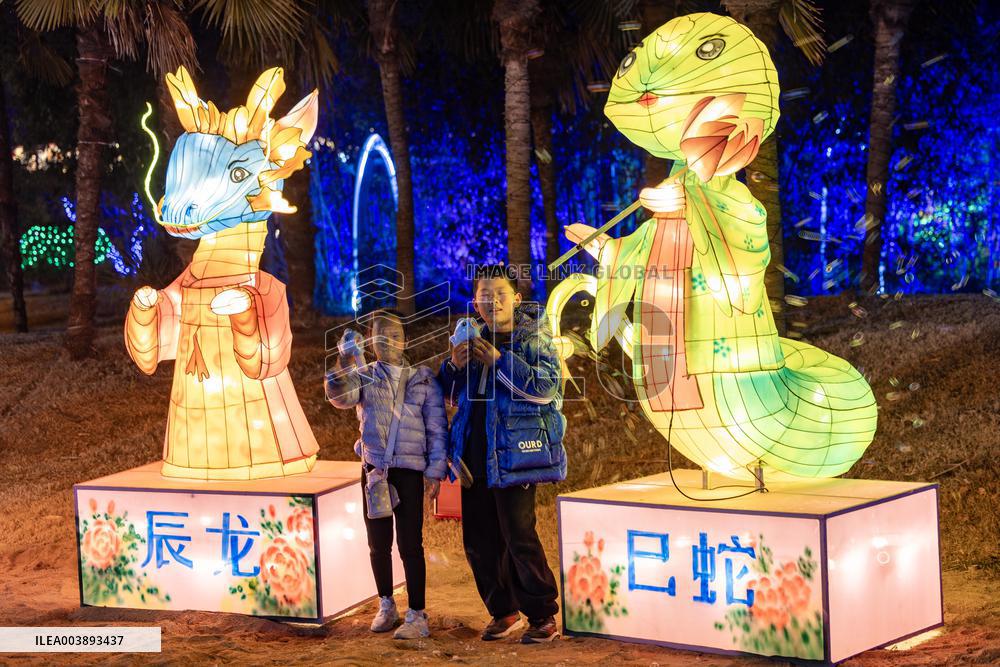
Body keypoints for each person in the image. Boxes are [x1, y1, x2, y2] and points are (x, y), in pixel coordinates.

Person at [438, 265, 567, 644]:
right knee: (478, 538)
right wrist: (453, 367)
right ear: (475, 301)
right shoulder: (471, 337)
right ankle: (503, 610)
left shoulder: (532, 337)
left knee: (518, 534)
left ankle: (542, 614)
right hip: (473, 454)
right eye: (483, 294)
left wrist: (498, 360)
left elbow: (545, 387)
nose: (491, 300)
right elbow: (447, 394)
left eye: (500, 293)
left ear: (516, 298)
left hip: (516, 453)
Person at [326, 309, 447, 639]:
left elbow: (437, 429)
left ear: (405, 339)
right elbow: (340, 396)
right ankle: (386, 604)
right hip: (375, 472)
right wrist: (345, 360)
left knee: (411, 544)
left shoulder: (423, 380)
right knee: (378, 544)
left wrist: (435, 472)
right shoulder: (364, 375)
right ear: (370, 341)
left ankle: (417, 614)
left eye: (395, 334)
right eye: (380, 336)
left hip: (408, 471)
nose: (389, 341)